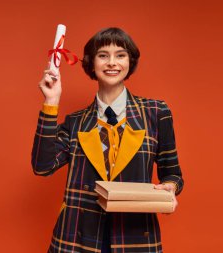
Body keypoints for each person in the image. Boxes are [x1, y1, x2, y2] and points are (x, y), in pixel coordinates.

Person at [31, 27, 184, 253]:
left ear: (129, 62)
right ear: (92, 63)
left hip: (135, 236)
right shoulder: (76, 122)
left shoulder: (156, 112)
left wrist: (169, 187)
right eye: (103, 55)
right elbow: (42, 167)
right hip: (77, 238)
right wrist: (51, 102)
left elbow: (172, 173)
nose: (112, 62)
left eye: (120, 55)